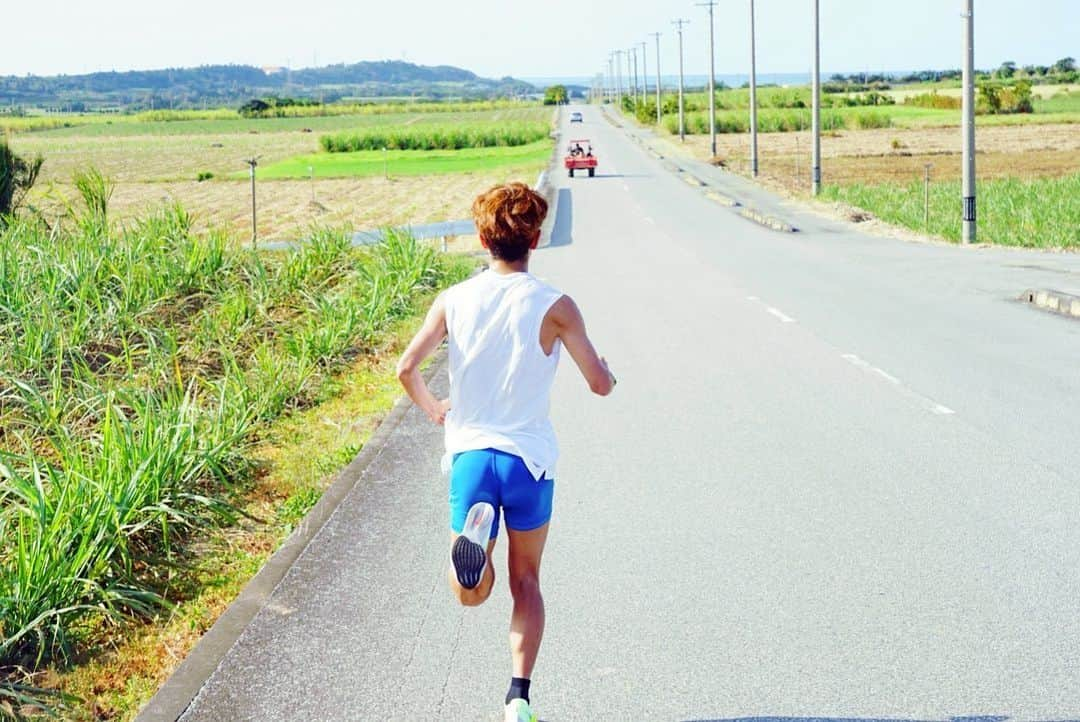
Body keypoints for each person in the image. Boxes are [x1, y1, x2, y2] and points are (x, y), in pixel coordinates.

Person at [396, 182, 615, 722]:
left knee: (471, 595)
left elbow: (405, 369)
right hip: (528, 461)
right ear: (534, 239)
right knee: (527, 582)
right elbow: (599, 384)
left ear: (480, 238)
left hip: (470, 455)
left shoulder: (453, 299)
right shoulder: (555, 305)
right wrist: (608, 370)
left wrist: (435, 408)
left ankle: (472, 560)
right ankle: (518, 695)